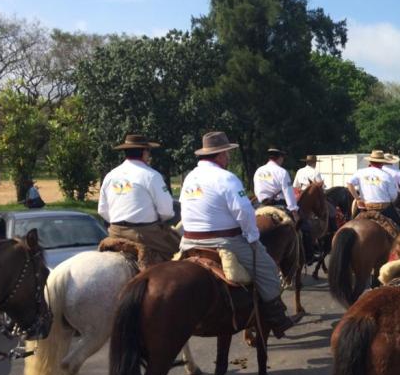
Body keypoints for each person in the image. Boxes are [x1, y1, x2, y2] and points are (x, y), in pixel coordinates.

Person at [179, 132, 298, 338]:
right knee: (268, 268)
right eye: (227, 153)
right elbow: (243, 211)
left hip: (189, 241)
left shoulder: (190, 177)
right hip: (224, 240)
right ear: (219, 155)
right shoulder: (226, 177)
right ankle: (276, 317)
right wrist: (252, 237)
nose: (229, 158)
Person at [98, 134, 179, 262]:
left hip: (115, 232)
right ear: (144, 152)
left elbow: (102, 210)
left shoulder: (110, 175)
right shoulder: (151, 176)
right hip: (144, 234)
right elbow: (166, 212)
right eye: (148, 151)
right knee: (180, 250)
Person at [254, 148, 316, 264]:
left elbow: (257, 190)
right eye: (282, 158)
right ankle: (308, 256)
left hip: (261, 204)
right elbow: (288, 193)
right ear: (280, 158)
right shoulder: (282, 172)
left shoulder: (259, 171)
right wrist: (294, 211)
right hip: (279, 204)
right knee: (305, 227)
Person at [346, 149, 400, 228]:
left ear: (370, 161)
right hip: (384, 209)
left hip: (365, 207)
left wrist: (357, 198)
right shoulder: (387, 176)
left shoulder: (360, 172)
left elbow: (349, 183)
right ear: (382, 163)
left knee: (351, 223)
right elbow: (393, 196)